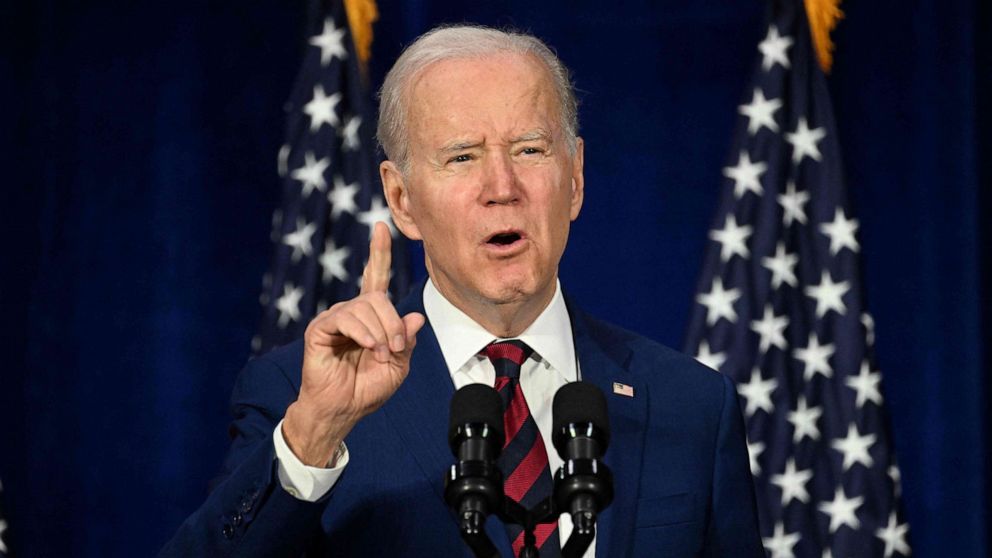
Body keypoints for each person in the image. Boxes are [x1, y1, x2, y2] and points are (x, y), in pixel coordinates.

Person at [162, 25, 763, 557]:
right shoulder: (299, 398)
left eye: (530, 150)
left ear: (574, 179)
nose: (502, 187)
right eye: (462, 158)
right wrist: (313, 439)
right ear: (402, 200)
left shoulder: (693, 406)